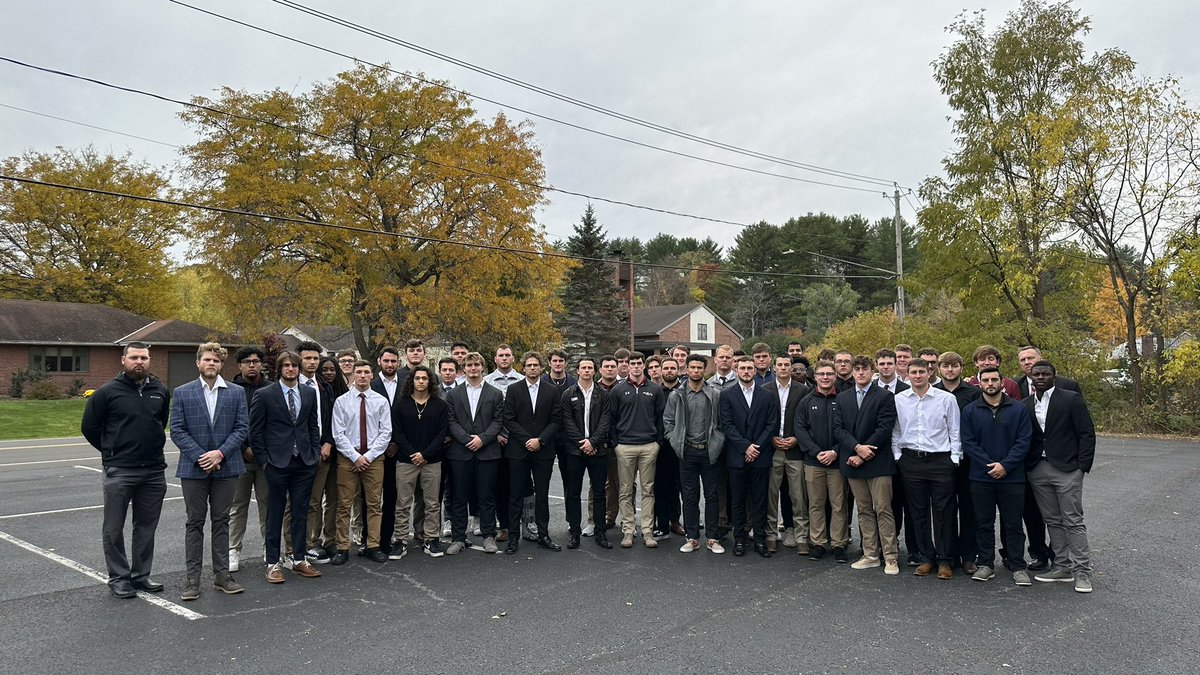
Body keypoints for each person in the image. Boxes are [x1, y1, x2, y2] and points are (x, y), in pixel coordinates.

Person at [81, 342, 171, 599]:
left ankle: (141, 576)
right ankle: (119, 578)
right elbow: (90, 428)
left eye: (143, 357)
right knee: (113, 528)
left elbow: (160, 422)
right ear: (123, 360)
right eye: (134, 357)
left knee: (146, 527)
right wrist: (111, 451)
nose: (139, 361)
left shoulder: (160, 391)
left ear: (149, 360)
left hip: (153, 471)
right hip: (120, 471)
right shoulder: (107, 392)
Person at [169, 342, 249, 600]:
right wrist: (201, 456)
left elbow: (241, 428)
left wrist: (220, 453)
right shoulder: (183, 392)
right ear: (198, 363)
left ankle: (222, 575)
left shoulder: (235, 393)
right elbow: (177, 430)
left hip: (227, 467)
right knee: (194, 522)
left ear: (221, 364)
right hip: (194, 469)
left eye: (215, 360)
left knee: (222, 521)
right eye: (206, 360)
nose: (211, 364)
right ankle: (192, 579)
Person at [248, 351, 322, 584]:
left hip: (304, 462)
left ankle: (298, 559)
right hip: (276, 463)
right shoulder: (265, 394)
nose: (291, 369)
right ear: (279, 369)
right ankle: (272, 563)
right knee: (275, 514)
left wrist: (314, 454)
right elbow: (255, 431)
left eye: (294, 366)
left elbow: (312, 426)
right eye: (287, 366)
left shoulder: (309, 394)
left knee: (300, 512)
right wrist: (264, 461)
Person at [1024, 360, 1097, 593]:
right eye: (1037, 374)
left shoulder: (1070, 399)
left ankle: (1082, 571)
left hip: (1067, 469)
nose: (1041, 377)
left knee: (1073, 520)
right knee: (1052, 520)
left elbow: (1087, 433)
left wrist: (1082, 467)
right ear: (1031, 378)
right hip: (1038, 469)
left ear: (1054, 377)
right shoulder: (1025, 404)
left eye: (1046, 373)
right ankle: (1062, 566)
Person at [961, 366, 1033, 586]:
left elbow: (1024, 441)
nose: (990, 383)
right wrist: (990, 465)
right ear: (979, 383)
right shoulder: (971, 411)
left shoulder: (1018, 409)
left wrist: (1005, 465)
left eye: (994, 379)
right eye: (986, 380)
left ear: (1002, 382)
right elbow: (968, 442)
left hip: (1012, 477)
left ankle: (1018, 565)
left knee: (1013, 524)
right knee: (983, 523)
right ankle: (985, 564)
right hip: (981, 477)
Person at [892, 360, 962, 580]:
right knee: (918, 512)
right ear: (907, 374)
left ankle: (945, 560)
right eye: (913, 372)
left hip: (940, 461)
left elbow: (955, 430)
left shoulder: (946, 399)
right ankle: (926, 558)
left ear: (930, 372)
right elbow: (895, 430)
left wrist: (954, 459)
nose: (918, 376)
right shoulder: (899, 400)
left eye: (922, 371)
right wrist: (898, 456)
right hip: (911, 461)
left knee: (944, 512)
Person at [833, 355, 899, 574]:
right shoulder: (842, 398)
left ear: (873, 372)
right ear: (852, 372)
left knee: (883, 509)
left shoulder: (885, 396)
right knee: (863, 511)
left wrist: (864, 452)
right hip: (852, 461)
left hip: (878, 461)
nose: (860, 373)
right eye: (857, 369)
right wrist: (856, 449)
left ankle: (890, 556)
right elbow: (839, 428)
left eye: (865, 369)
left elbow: (884, 428)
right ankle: (870, 553)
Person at [330, 360, 392, 564]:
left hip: (373, 459)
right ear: (353, 375)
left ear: (371, 376)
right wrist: (356, 457)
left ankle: (373, 545)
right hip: (348, 458)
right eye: (359, 372)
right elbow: (338, 434)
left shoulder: (381, 401)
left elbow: (386, 432)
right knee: (344, 504)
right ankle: (342, 547)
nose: (363, 375)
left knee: (374, 504)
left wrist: (369, 456)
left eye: (366, 372)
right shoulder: (342, 401)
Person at [664, 354, 726, 554]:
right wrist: (676, 442)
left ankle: (713, 538)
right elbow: (668, 422)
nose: (696, 371)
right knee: (690, 496)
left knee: (712, 496)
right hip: (687, 452)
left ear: (704, 370)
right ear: (687, 370)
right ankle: (692, 538)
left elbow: (722, 423)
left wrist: (717, 443)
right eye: (693, 368)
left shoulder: (715, 394)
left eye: (700, 368)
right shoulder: (677, 395)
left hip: (709, 452)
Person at [444, 352, 505, 555]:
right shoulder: (453, 395)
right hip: (460, 453)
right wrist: (467, 439)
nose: (473, 368)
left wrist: (482, 439)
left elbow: (498, 421)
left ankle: (488, 536)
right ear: (464, 369)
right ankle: (458, 538)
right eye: (469, 365)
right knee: (459, 497)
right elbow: (451, 421)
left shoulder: (495, 394)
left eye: (476, 365)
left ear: (482, 368)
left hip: (487, 452)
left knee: (487, 496)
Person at [502, 352, 562, 554]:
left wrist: (540, 440)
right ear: (523, 368)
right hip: (518, 450)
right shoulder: (513, 389)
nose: (533, 368)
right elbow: (508, 419)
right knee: (515, 495)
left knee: (542, 495)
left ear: (541, 368)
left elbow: (556, 420)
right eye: (529, 365)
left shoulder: (552, 390)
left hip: (543, 451)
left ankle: (544, 535)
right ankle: (513, 537)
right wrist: (527, 440)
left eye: (536, 365)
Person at [720, 356, 779, 557]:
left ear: (755, 371)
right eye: (743, 368)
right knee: (737, 499)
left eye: (750, 368)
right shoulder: (727, 395)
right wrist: (746, 447)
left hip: (761, 456)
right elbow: (727, 425)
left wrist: (757, 448)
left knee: (760, 500)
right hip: (737, 456)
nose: (746, 371)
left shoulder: (767, 395)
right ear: (737, 370)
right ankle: (739, 538)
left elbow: (772, 424)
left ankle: (760, 538)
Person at [934, 351, 984, 574]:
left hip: (968, 460)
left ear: (961, 368)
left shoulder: (973, 394)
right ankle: (948, 555)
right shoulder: (933, 393)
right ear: (938, 369)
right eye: (945, 366)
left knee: (969, 509)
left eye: (954, 365)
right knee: (944, 510)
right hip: (941, 459)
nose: (950, 370)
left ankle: (968, 556)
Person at [610, 351, 666, 549]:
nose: (635, 366)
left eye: (638, 363)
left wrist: (657, 442)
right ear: (626, 366)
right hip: (624, 446)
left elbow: (661, 419)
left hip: (649, 446)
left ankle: (647, 532)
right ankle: (628, 531)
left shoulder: (655, 390)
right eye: (631, 363)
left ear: (644, 365)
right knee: (625, 491)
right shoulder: (618, 390)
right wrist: (616, 444)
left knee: (648, 490)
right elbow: (612, 419)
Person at [393, 365, 449, 558]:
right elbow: (398, 433)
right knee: (403, 503)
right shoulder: (401, 404)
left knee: (432, 503)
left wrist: (424, 455)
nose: (421, 382)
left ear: (430, 382)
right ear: (412, 381)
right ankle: (400, 540)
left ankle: (432, 539)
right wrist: (412, 454)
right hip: (406, 461)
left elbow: (442, 434)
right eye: (417, 378)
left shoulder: (440, 405)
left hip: (432, 461)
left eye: (425, 378)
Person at [796, 360, 849, 561]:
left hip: (837, 462)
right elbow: (800, 429)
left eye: (829, 374)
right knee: (816, 504)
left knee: (838, 505)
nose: (825, 377)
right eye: (821, 374)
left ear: (835, 376)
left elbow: (849, 430)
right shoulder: (806, 401)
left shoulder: (844, 400)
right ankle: (818, 542)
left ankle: (838, 544)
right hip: (813, 461)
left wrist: (835, 452)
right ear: (815, 376)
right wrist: (816, 452)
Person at [290, 341, 337, 565]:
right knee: (301, 502)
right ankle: (300, 546)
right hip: (297, 453)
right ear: (299, 360)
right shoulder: (289, 385)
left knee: (320, 500)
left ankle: (318, 543)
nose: (312, 362)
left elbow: (328, 419)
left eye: (315, 358)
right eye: (307, 358)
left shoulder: (324, 387)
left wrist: (327, 442)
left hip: (323, 450)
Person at [559, 356, 613, 550]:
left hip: (598, 450)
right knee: (572, 492)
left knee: (599, 493)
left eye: (590, 367)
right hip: (575, 451)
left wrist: (593, 442)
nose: (587, 370)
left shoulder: (603, 394)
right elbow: (567, 421)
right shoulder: (568, 394)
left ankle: (600, 532)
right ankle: (574, 532)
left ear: (594, 371)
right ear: (578, 371)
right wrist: (583, 443)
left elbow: (606, 420)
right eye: (584, 367)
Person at [228, 346, 271, 573]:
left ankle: (269, 548)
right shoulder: (230, 389)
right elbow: (228, 424)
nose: (252, 365)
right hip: (238, 458)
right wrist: (244, 447)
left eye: (256, 361)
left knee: (267, 505)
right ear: (240, 365)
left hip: (266, 460)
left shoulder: (272, 389)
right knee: (237, 507)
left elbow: (276, 425)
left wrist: (261, 450)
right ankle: (233, 551)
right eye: (247, 361)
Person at [762, 354, 808, 553]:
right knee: (771, 496)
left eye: (786, 365)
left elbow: (807, 421)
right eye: (779, 365)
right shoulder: (765, 391)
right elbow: (761, 420)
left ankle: (802, 536)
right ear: (774, 368)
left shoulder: (804, 391)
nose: (783, 368)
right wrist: (771, 438)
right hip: (772, 449)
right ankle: (771, 534)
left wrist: (797, 438)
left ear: (791, 368)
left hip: (794, 449)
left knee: (798, 496)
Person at [653, 357, 684, 539]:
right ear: (661, 371)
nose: (670, 371)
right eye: (666, 368)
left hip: (680, 447)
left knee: (678, 486)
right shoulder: (656, 391)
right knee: (661, 487)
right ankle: (661, 524)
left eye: (673, 368)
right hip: (661, 446)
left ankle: (675, 521)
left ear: (679, 370)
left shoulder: (684, 391)